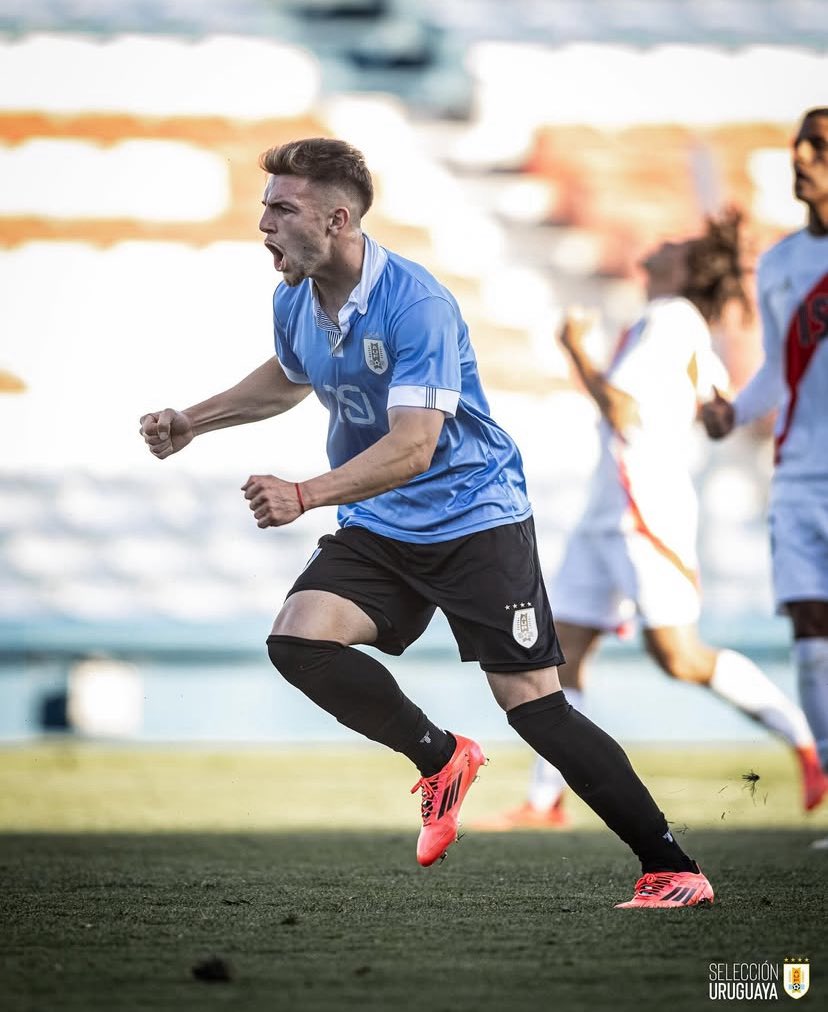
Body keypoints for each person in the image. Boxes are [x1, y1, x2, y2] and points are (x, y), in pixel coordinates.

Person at [140, 137, 714, 908]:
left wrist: (306, 494)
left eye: (282, 209)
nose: (263, 224)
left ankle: (671, 866)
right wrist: (194, 420)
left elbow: (416, 446)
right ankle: (441, 758)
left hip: (474, 517)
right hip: (382, 521)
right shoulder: (296, 297)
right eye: (265, 207)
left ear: (338, 218)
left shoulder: (418, 304)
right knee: (299, 640)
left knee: (535, 707)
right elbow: (289, 374)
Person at [476, 209, 826, 832]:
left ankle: (805, 740)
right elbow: (713, 412)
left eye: (671, 242)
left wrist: (575, 349)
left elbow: (623, 409)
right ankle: (544, 801)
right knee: (565, 653)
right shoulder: (669, 326)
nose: (656, 243)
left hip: (644, 510)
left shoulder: (671, 319)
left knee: (680, 657)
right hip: (607, 508)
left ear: (687, 268)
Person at [701, 108, 828, 801]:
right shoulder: (780, 263)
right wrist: (733, 412)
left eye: (819, 146)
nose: (802, 156)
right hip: (801, 478)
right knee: (812, 635)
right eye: (799, 144)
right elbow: (781, 369)